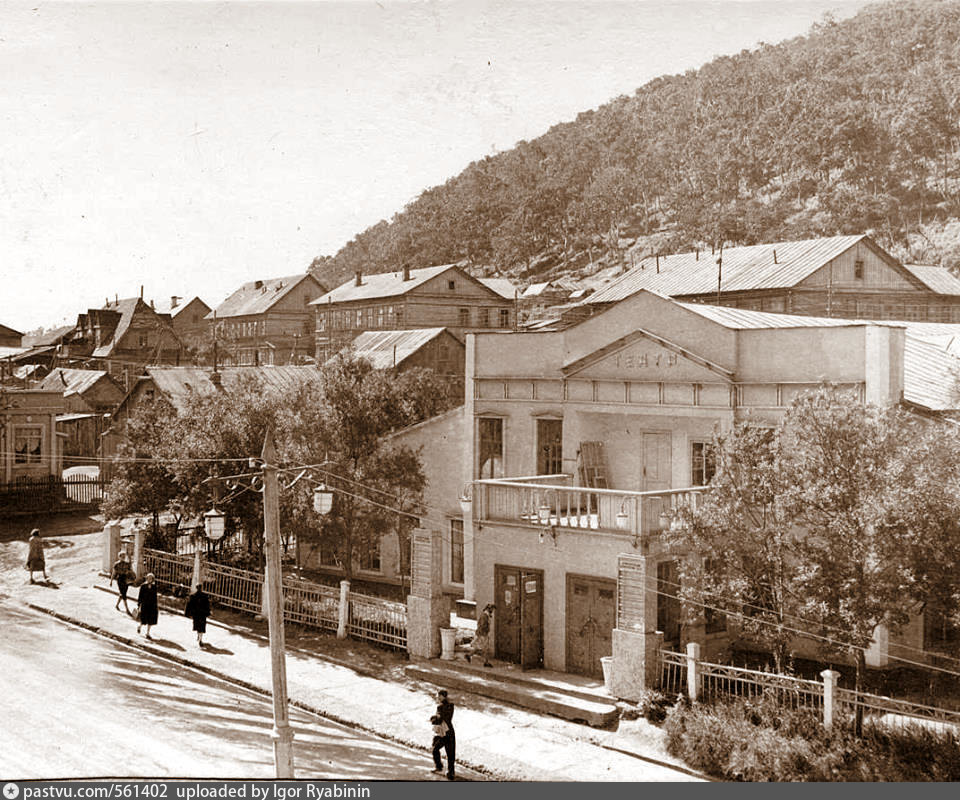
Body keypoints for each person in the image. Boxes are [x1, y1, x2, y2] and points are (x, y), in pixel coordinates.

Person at [435, 688, 456, 780]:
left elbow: (439, 720)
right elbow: (448, 718)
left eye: (439, 696)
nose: (437, 697)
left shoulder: (440, 707)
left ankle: (439, 766)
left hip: (443, 733)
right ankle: (451, 772)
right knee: (451, 753)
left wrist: (433, 719)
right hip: (450, 732)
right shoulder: (451, 706)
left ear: (442, 696)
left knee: (435, 749)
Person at [137, 573, 159, 639]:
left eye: (151, 578)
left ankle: (148, 633)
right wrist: (139, 604)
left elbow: (155, 597)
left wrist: (156, 606)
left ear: (153, 579)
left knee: (150, 620)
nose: (149, 579)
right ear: (146, 578)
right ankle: (139, 627)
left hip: (152, 605)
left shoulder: (154, 587)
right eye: (148, 578)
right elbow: (140, 596)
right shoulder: (143, 586)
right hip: (144, 604)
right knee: (143, 618)